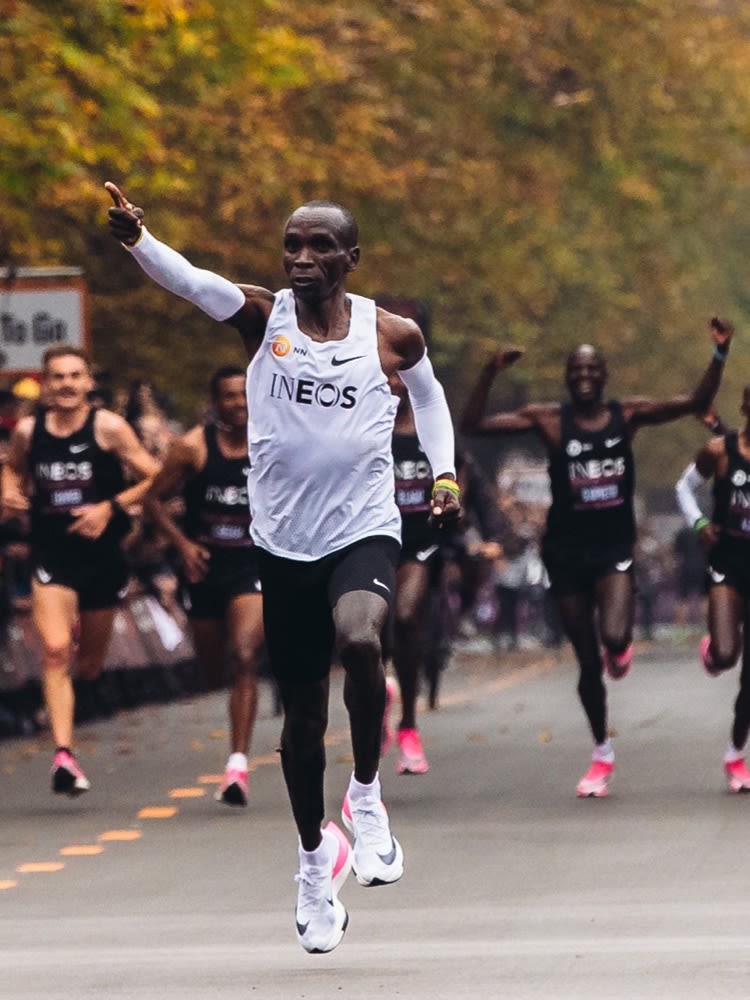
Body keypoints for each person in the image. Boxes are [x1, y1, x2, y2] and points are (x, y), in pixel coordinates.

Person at [105, 182, 461, 954]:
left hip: (364, 528)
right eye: (292, 245)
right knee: (302, 722)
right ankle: (312, 861)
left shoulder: (391, 334)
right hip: (284, 544)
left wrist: (444, 477)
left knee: (362, 639)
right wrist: (139, 240)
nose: (302, 258)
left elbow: (430, 402)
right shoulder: (264, 319)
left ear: (351, 258)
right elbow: (191, 281)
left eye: (319, 246)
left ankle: (365, 797)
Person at [460, 323, 732, 798]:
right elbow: (474, 425)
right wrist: (489, 370)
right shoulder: (549, 420)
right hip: (565, 553)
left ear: (604, 376)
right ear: (568, 378)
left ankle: (618, 648)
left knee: (615, 635)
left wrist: (719, 353)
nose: (584, 376)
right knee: (588, 663)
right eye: (576, 370)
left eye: (592, 369)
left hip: (613, 549)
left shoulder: (627, 415)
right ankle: (601, 751)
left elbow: (693, 401)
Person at [0, 345, 159, 795]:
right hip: (52, 553)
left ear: (89, 382)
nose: (67, 384)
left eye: (75, 376)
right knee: (54, 650)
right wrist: (9, 491)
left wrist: (110, 508)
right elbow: (12, 471)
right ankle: (64, 756)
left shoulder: (108, 427)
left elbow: (155, 476)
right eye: (58, 377)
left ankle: (80, 691)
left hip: (102, 559)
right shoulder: (29, 431)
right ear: (45, 385)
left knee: (87, 664)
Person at [143, 365, 264, 807]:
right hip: (204, 567)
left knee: (245, 656)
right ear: (215, 403)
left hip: (252, 564)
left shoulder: (272, 442)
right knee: (214, 669)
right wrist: (183, 544)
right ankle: (231, 696)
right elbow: (152, 498)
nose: (238, 403)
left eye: (245, 394)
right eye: (229, 396)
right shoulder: (192, 447)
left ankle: (237, 765)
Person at [675, 385, 750, 793]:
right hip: (727, 566)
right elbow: (683, 488)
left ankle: (735, 753)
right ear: (746, 405)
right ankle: (715, 649)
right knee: (726, 655)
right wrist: (699, 523)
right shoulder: (719, 451)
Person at [382, 375, 440, 775]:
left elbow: (458, 471)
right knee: (365, 636)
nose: (392, 383)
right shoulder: (362, 421)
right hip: (369, 537)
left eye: (398, 376)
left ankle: (408, 726)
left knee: (405, 619)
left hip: (419, 542)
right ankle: (377, 700)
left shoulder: (429, 422)